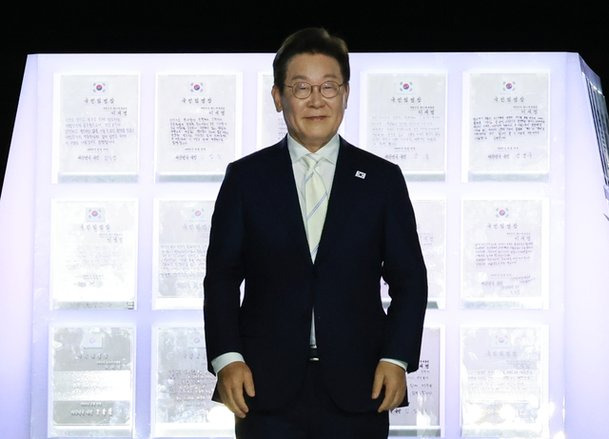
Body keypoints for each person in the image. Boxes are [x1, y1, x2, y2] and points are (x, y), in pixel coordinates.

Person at [203, 27, 428, 439]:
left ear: (346, 94)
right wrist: (227, 358)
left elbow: (410, 279)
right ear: (278, 97)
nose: (316, 100)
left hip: (361, 384)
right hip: (262, 387)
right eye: (301, 87)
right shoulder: (245, 179)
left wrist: (396, 358)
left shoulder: (382, 180)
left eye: (328, 86)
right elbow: (221, 278)